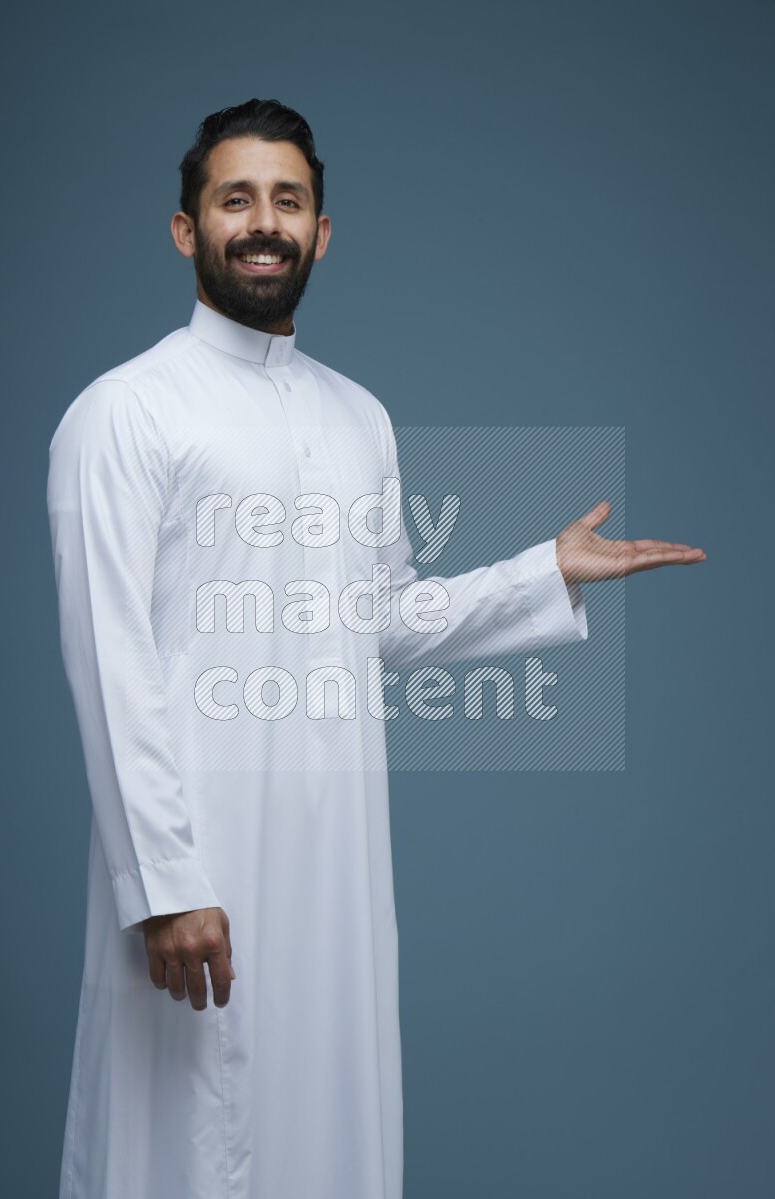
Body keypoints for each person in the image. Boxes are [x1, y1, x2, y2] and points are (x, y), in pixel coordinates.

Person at [46, 98, 706, 1199]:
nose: (264, 222)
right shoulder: (125, 412)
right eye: (237, 199)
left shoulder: (359, 418)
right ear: (186, 228)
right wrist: (163, 882)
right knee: (184, 1139)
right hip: (197, 858)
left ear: (321, 231)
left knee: (326, 1126)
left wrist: (540, 571)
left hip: (336, 867)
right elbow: (108, 657)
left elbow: (381, 618)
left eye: (288, 200)